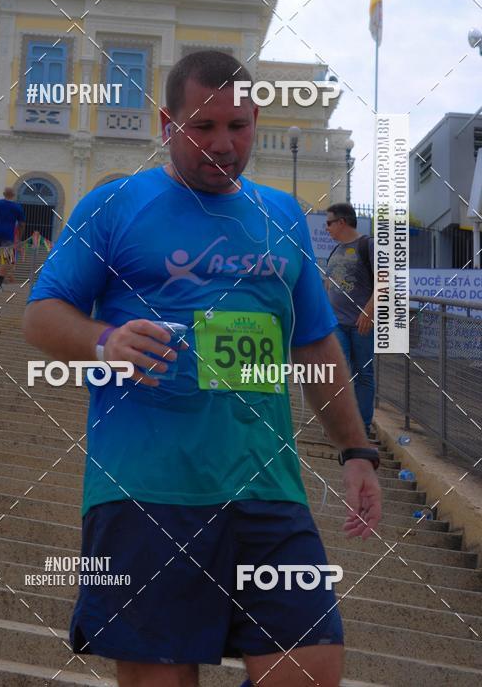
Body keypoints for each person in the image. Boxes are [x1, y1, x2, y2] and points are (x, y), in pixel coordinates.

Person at [24, 50, 382, 687]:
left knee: (310, 671)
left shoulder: (281, 218)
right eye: (203, 127)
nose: (223, 143)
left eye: (237, 127)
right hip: (146, 493)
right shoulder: (115, 205)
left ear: (256, 120)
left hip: (267, 492)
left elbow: (316, 345)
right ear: (167, 123)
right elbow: (42, 315)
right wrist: (104, 342)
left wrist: (357, 449)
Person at [324, 204, 375, 437]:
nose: (326, 228)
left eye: (329, 223)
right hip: (336, 323)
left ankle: (362, 428)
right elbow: (328, 285)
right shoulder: (335, 250)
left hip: (361, 324)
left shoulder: (368, 245)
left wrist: (368, 312)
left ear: (342, 222)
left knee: (363, 374)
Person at [0, 187, 24, 291]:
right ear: (13, 195)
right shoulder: (18, 207)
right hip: (8, 236)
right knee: (5, 260)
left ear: (3, 194)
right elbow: (21, 224)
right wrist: (19, 239)